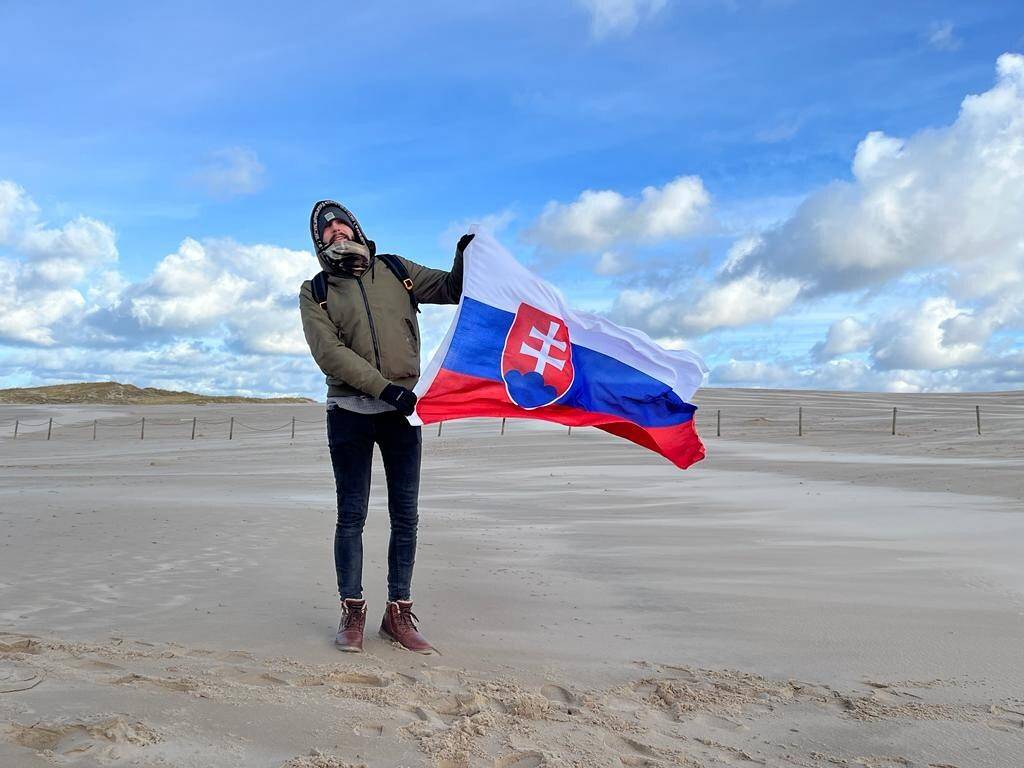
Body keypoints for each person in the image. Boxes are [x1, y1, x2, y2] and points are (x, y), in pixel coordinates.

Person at [299, 199, 472, 654]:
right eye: (325, 229)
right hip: (349, 413)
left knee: (405, 516)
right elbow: (329, 353)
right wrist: (384, 389)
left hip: (403, 413)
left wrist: (465, 255)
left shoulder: (396, 269)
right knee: (351, 516)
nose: (335, 231)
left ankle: (398, 614)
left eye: (341, 223)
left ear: (356, 228)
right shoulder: (316, 290)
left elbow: (453, 288)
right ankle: (352, 610)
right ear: (318, 241)